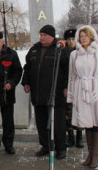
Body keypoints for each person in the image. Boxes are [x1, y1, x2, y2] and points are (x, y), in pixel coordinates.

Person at [67, 25, 98, 169]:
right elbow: (72, 77)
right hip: (81, 90)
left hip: (96, 89)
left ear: (92, 37)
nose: (83, 39)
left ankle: (95, 156)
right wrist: (71, 95)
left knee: (97, 122)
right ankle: (89, 154)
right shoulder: (74, 55)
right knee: (86, 123)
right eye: (81, 37)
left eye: (86, 36)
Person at [22, 24, 69, 159]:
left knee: (58, 123)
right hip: (38, 94)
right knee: (41, 122)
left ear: (52, 36)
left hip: (55, 94)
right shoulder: (34, 49)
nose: (42, 38)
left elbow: (67, 70)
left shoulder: (60, 50)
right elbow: (28, 67)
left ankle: (60, 148)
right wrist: (26, 82)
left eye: (45, 35)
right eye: (41, 35)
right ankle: (46, 146)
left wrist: (66, 86)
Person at [63, 28, 83, 149]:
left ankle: (79, 137)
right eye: (69, 39)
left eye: (73, 39)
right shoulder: (63, 52)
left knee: (79, 113)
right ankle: (70, 136)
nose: (71, 42)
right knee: (67, 114)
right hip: (67, 87)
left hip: (79, 87)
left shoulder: (81, 52)